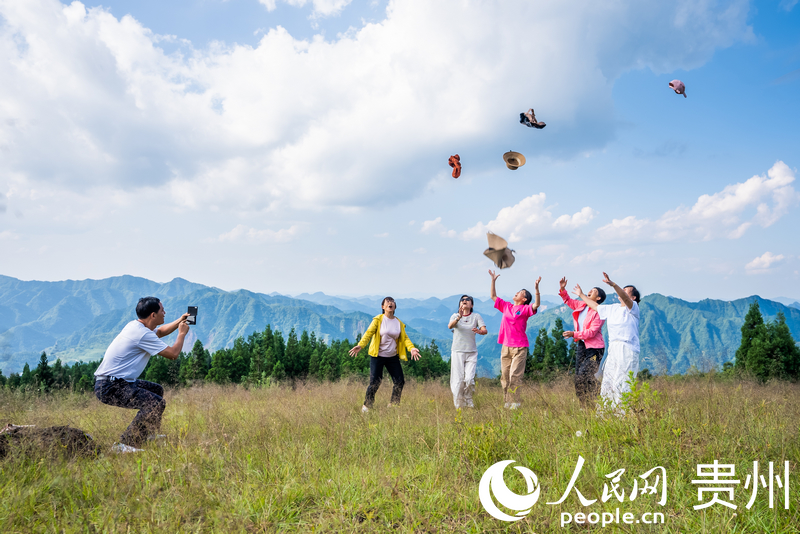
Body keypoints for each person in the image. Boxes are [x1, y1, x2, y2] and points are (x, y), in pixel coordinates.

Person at [94, 297, 189, 452]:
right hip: (110, 386)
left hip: (116, 382)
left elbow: (159, 332)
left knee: (156, 390)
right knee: (155, 403)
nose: (165, 312)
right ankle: (126, 444)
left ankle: (147, 434)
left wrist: (180, 320)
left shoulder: (135, 326)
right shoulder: (142, 334)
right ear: (153, 315)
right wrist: (182, 334)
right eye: (162, 310)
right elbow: (173, 354)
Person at [574, 273, 641, 411]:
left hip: (627, 347)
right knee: (608, 380)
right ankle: (606, 412)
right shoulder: (613, 308)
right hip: (613, 348)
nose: (622, 292)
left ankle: (623, 412)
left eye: (626, 291)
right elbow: (594, 305)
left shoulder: (633, 308)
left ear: (633, 297)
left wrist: (614, 285)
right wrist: (581, 295)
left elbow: (625, 299)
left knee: (623, 381)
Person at [349, 297, 420, 412]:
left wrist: (411, 349)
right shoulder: (378, 320)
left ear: (395, 307)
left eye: (392, 302)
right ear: (383, 307)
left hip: (392, 357)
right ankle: (367, 405)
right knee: (375, 382)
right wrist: (360, 345)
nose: (390, 303)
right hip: (377, 356)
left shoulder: (398, 323)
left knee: (399, 381)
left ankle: (394, 404)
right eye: (387, 302)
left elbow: (405, 338)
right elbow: (368, 333)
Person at [489, 270, 541, 409]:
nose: (517, 292)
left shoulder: (525, 309)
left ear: (524, 299)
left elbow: (536, 305)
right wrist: (493, 280)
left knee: (514, 376)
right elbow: (493, 296)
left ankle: (515, 402)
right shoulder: (506, 306)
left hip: (520, 347)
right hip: (506, 346)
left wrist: (536, 290)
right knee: (505, 376)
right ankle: (507, 401)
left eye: (520, 292)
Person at [559, 277, 606, 409]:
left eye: (594, 291)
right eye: (590, 290)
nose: (591, 290)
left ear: (598, 299)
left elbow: (591, 333)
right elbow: (568, 301)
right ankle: (585, 405)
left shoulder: (599, 312)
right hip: (582, 345)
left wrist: (574, 334)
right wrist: (563, 289)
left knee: (584, 374)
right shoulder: (582, 305)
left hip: (595, 348)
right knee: (578, 377)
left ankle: (603, 394)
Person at [448, 295, 488, 408]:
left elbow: (485, 330)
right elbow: (450, 326)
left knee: (469, 379)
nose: (464, 301)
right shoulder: (455, 316)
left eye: (467, 300)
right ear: (460, 304)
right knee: (458, 380)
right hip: (457, 351)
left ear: (472, 305)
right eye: (462, 300)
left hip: (471, 352)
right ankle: (459, 404)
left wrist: (480, 331)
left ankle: (468, 400)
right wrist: (458, 317)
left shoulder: (476, 316)